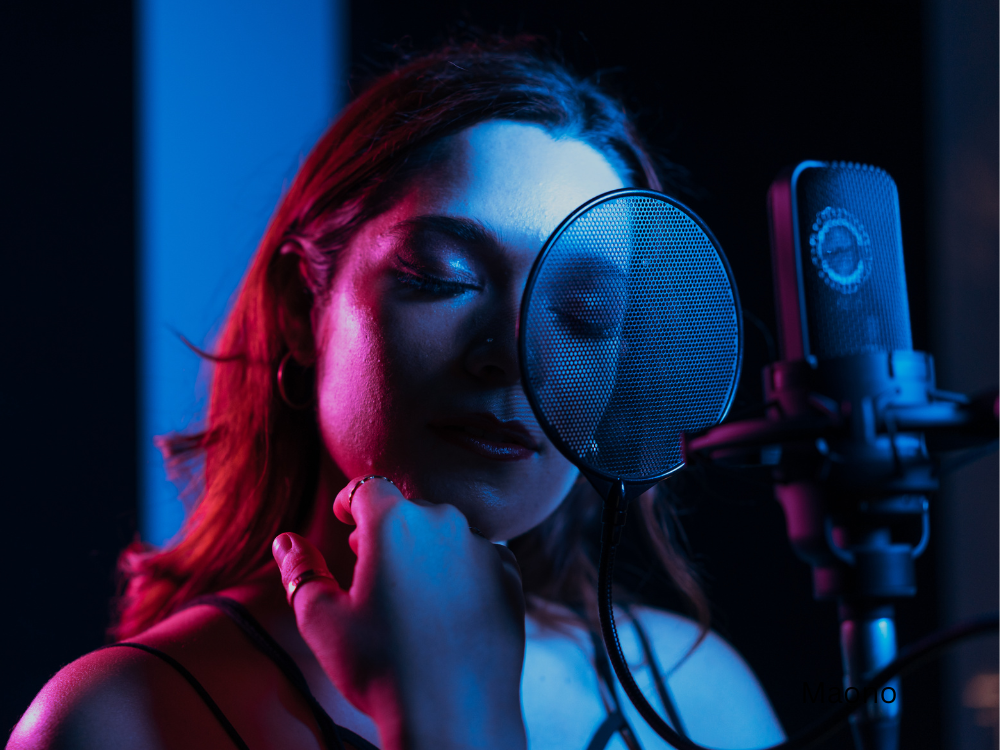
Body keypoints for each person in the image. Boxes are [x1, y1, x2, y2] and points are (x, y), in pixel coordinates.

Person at [8, 39, 784, 750]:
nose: (513, 360)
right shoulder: (118, 722)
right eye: (439, 279)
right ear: (300, 312)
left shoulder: (702, 700)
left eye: (583, 317)